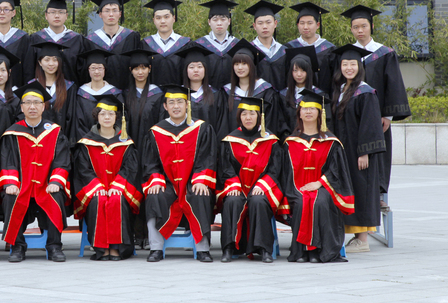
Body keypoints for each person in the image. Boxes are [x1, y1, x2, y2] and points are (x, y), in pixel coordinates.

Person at [142, 85, 217, 263]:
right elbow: (150, 163)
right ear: (165, 106)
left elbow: (207, 157)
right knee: (154, 195)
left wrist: (201, 179)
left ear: (187, 105)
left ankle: (203, 249)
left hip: (193, 181)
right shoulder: (156, 131)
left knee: (200, 194)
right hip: (167, 183)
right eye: (171, 102)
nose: (176, 106)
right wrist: (156, 180)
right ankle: (156, 248)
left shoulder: (202, 129)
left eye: (180, 102)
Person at [342, 5, 411, 198]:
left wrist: (388, 116)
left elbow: (393, 85)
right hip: (352, 117)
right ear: (351, 29)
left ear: (371, 26)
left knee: (379, 152)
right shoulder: (348, 56)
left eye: (363, 26)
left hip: (378, 116)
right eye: (356, 27)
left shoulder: (384, 53)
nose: (360, 30)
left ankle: (379, 194)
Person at [280, 89, 354, 263]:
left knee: (319, 201)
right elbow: (285, 173)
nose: (308, 112)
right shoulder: (290, 143)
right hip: (296, 187)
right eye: (304, 108)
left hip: (324, 186)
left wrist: (319, 183)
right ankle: (301, 252)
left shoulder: (331, 142)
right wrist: (297, 188)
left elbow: (337, 170)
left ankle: (319, 251)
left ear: (320, 113)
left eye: (312, 108)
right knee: (301, 201)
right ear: (299, 113)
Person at [0, 82, 71, 263]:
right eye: (28, 103)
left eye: (37, 103)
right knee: (10, 196)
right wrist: (11, 183)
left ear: (43, 106)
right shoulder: (12, 133)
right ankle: (17, 246)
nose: (32, 107)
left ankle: (54, 245)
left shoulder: (54, 132)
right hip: (21, 185)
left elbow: (62, 160)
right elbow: (8, 161)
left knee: (56, 195)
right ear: (22, 107)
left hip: (46, 185)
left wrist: (55, 181)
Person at [331, 44, 386, 253]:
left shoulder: (366, 92)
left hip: (359, 153)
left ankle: (363, 239)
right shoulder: (341, 90)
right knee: (351, 190)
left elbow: (370, 125)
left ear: (359, 66)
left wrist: (364, 152)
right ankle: (355, 236)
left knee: (362, 190)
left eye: (352, 64)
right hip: (345, 152)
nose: (348, 68)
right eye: (345, 64)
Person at [73, 95, 141, 261]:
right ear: (96, 116)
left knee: (117, 199)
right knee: (99, 199)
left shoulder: (126, 142)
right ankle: (101, 248)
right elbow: (83, 170)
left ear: (117, 117)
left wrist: (118, 186)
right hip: (94, 189)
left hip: (120, 188)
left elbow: (130, 169)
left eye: (111, 114)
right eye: (103, 114)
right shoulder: (86, 143)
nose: (107, 117)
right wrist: (97, 187)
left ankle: (117, 248)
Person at [217, 97, 283, 263]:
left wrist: (263, 184)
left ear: (259, 116)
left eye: (252, 114)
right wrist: (233, 184)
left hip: (263, 187)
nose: (248, 118)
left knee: (259, 201)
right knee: (232, 201)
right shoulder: (230, 140)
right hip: (237, 187)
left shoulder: (271, 141)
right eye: (244, 114)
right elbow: (225, 168)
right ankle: (228, 248)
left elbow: (275, 169)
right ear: (239, 116)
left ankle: (264, 249)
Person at [223, 39, 287, 138]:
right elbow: (223, 124)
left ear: (252, 65)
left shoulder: (266, 91)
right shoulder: (226, 92)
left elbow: (271, 122)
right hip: (234, 143)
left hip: (260, 143)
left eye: (244, 64)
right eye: (236, 64)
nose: (240, 68)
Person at [85, 0, 141, 90]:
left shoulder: (131, 37)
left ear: (120, 14)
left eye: (115, 10)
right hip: (100, 93)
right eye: (107, 11)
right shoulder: (90, 40)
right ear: (100, 14)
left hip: (127, 92)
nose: (111, 14)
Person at [24, 0, 84, 84]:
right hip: (41, 89)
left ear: (66, 16)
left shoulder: (77, 39)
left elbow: (82, 71)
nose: (57, 16)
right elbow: (29, 69)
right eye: (52, 12)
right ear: (46, 15)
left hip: (70, 89)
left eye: (61, 12)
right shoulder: (35, 38)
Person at [71, 48, 122, 144]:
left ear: (104, 70)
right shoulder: (81, 94)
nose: (97, 72)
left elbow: (119, 119)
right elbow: (79, 123)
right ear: (88, 70)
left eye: (100, 68)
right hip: (87, 142)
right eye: (93, 68)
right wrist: (87, 142)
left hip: (111, 142)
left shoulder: (115, 93)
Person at [178, 42, 228, 140]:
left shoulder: (216, 95)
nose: (196, 70)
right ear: (186, 70)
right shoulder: (178, 94)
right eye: (191, 67)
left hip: (210, 145)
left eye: (200, 66)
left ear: (205, 69)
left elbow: (221, 126)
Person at [285, 2, 336, 95]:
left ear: (317, 25)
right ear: (297, 25)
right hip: (295, 98)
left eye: (310, 23)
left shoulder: (329, 49)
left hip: (322, 96)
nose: (305, 27)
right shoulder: (290, 47)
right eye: (302, 23)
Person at [279, 46, 326, 141]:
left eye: (303, 70)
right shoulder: (283, 95)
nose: (299, 74)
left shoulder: (319, 94)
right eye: (295, 70)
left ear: (309, 72)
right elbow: (281, 122)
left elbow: (325, 121)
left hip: (315, 141)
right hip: (290, 142)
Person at [122, 48, 163, 151]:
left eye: (143, 68)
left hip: (152, 146)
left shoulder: (157, 94)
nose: (140, 72)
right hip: (130, 145)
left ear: (149, 69)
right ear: (130, 70)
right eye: (136, 69)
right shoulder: (125, 95)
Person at [141, 0, 189, 85]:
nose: (162, 21)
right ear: (154, 20)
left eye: (166, 17)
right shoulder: (145, 44)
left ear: (174, 18)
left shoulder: (185, 44)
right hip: (152, 93)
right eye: (158, 18)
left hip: (178, 93)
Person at [31, 41, 76, 134]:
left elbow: (71, 119)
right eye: (47, 60)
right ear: (40, 62)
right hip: (38, 139)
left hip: (62, 139)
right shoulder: (32, 87)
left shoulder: (69, 87)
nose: (51, 64)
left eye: (55, 60)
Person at [193, 0, 239, 90]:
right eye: (215, 19)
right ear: (209, 22)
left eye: (223, 19)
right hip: (207, 94)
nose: (219, 23)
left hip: (232, 93)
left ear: (229, 21)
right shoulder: (199, 45)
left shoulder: (237, 45)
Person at [245, 0, 287, 91]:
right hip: (256, 98)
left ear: (275, 24)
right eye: (260, 23)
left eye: (268, 22)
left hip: (281, 98)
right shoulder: (248, 51)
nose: (264, 26)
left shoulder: (284, 51)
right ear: (254, 26)